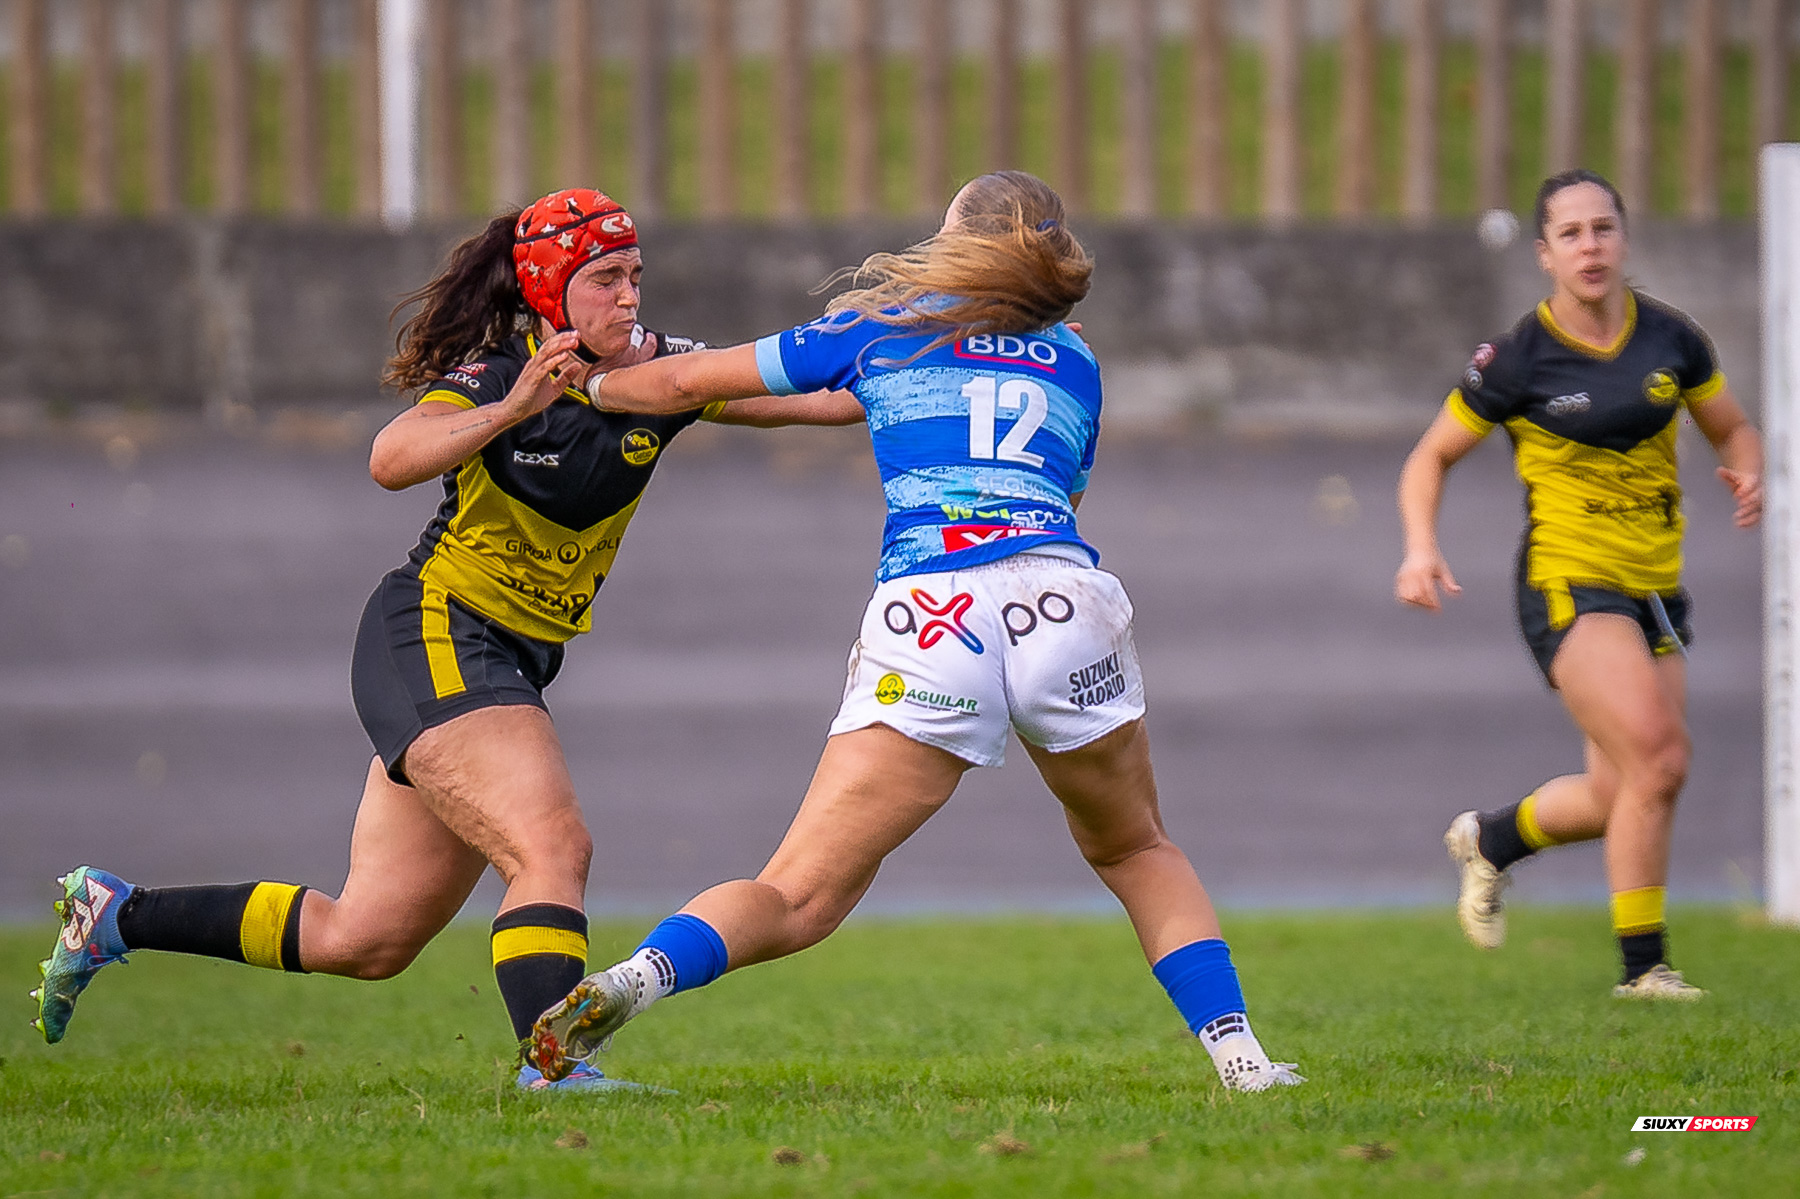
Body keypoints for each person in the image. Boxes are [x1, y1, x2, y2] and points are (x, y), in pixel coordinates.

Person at [32, 188, 861, 1089]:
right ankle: (552, 1071)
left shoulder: (660, 375)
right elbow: (391, 458)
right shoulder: (497, 373)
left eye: (635, 277)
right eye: (605, 279)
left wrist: (900, 356)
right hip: (435, 632)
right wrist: (512, 409)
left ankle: (115, 913)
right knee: (552, 847)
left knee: (368, 935)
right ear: (550, 288)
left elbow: (826, 403)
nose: (628, 298)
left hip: (504, 662)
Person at [523, 170, 1304, 1093]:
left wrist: (597, 388)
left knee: (798, 894)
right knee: (1137, 848)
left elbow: (691, 379)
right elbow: (1067, 493)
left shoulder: (880, 330)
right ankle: (1247, 1065)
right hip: (1060, 600)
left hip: (929, 615)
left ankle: (632, 979)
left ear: (951, 242)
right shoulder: (1079, 363)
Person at [1395, 169, 1763, 1000]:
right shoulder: (1518, 358)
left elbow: (1733, 427)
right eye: (1571, 233)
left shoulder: (1674, 339)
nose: (1591, 246)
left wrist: (1747, 472)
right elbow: (1430, 456)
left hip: (1656, 587)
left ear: (1624, 240)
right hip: (1568, 579)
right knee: (1661, 760)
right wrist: (1420, 547)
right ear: (1545, 255)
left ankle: (1492, 838)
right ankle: (1644, 970)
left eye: (1604, 228)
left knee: (1618, 790)